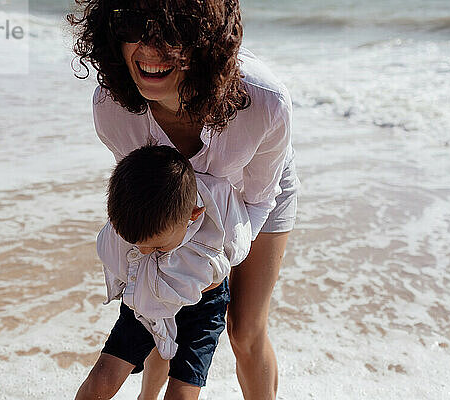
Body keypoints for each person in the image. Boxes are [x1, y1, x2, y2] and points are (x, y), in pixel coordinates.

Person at [68, 0, 299, 398]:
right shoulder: (112, 107)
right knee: (162, 306)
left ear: (202, 41)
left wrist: (208, 261)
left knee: (244, 329)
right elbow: (143, 189)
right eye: (133, 26)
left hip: (252, 197)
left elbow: (260, 200)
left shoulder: (263, 102)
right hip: (171, 203)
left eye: (170, 33)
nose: (149, 47)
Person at [75, 144, 251, 400]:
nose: (145, 252)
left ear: (194, 215)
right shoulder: (132, 212)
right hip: (147, 299)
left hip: (203, 308)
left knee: (183, 390)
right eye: (136, 244)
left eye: (156, 246)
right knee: (104, 376)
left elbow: (238, 244)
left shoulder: (219, 198)